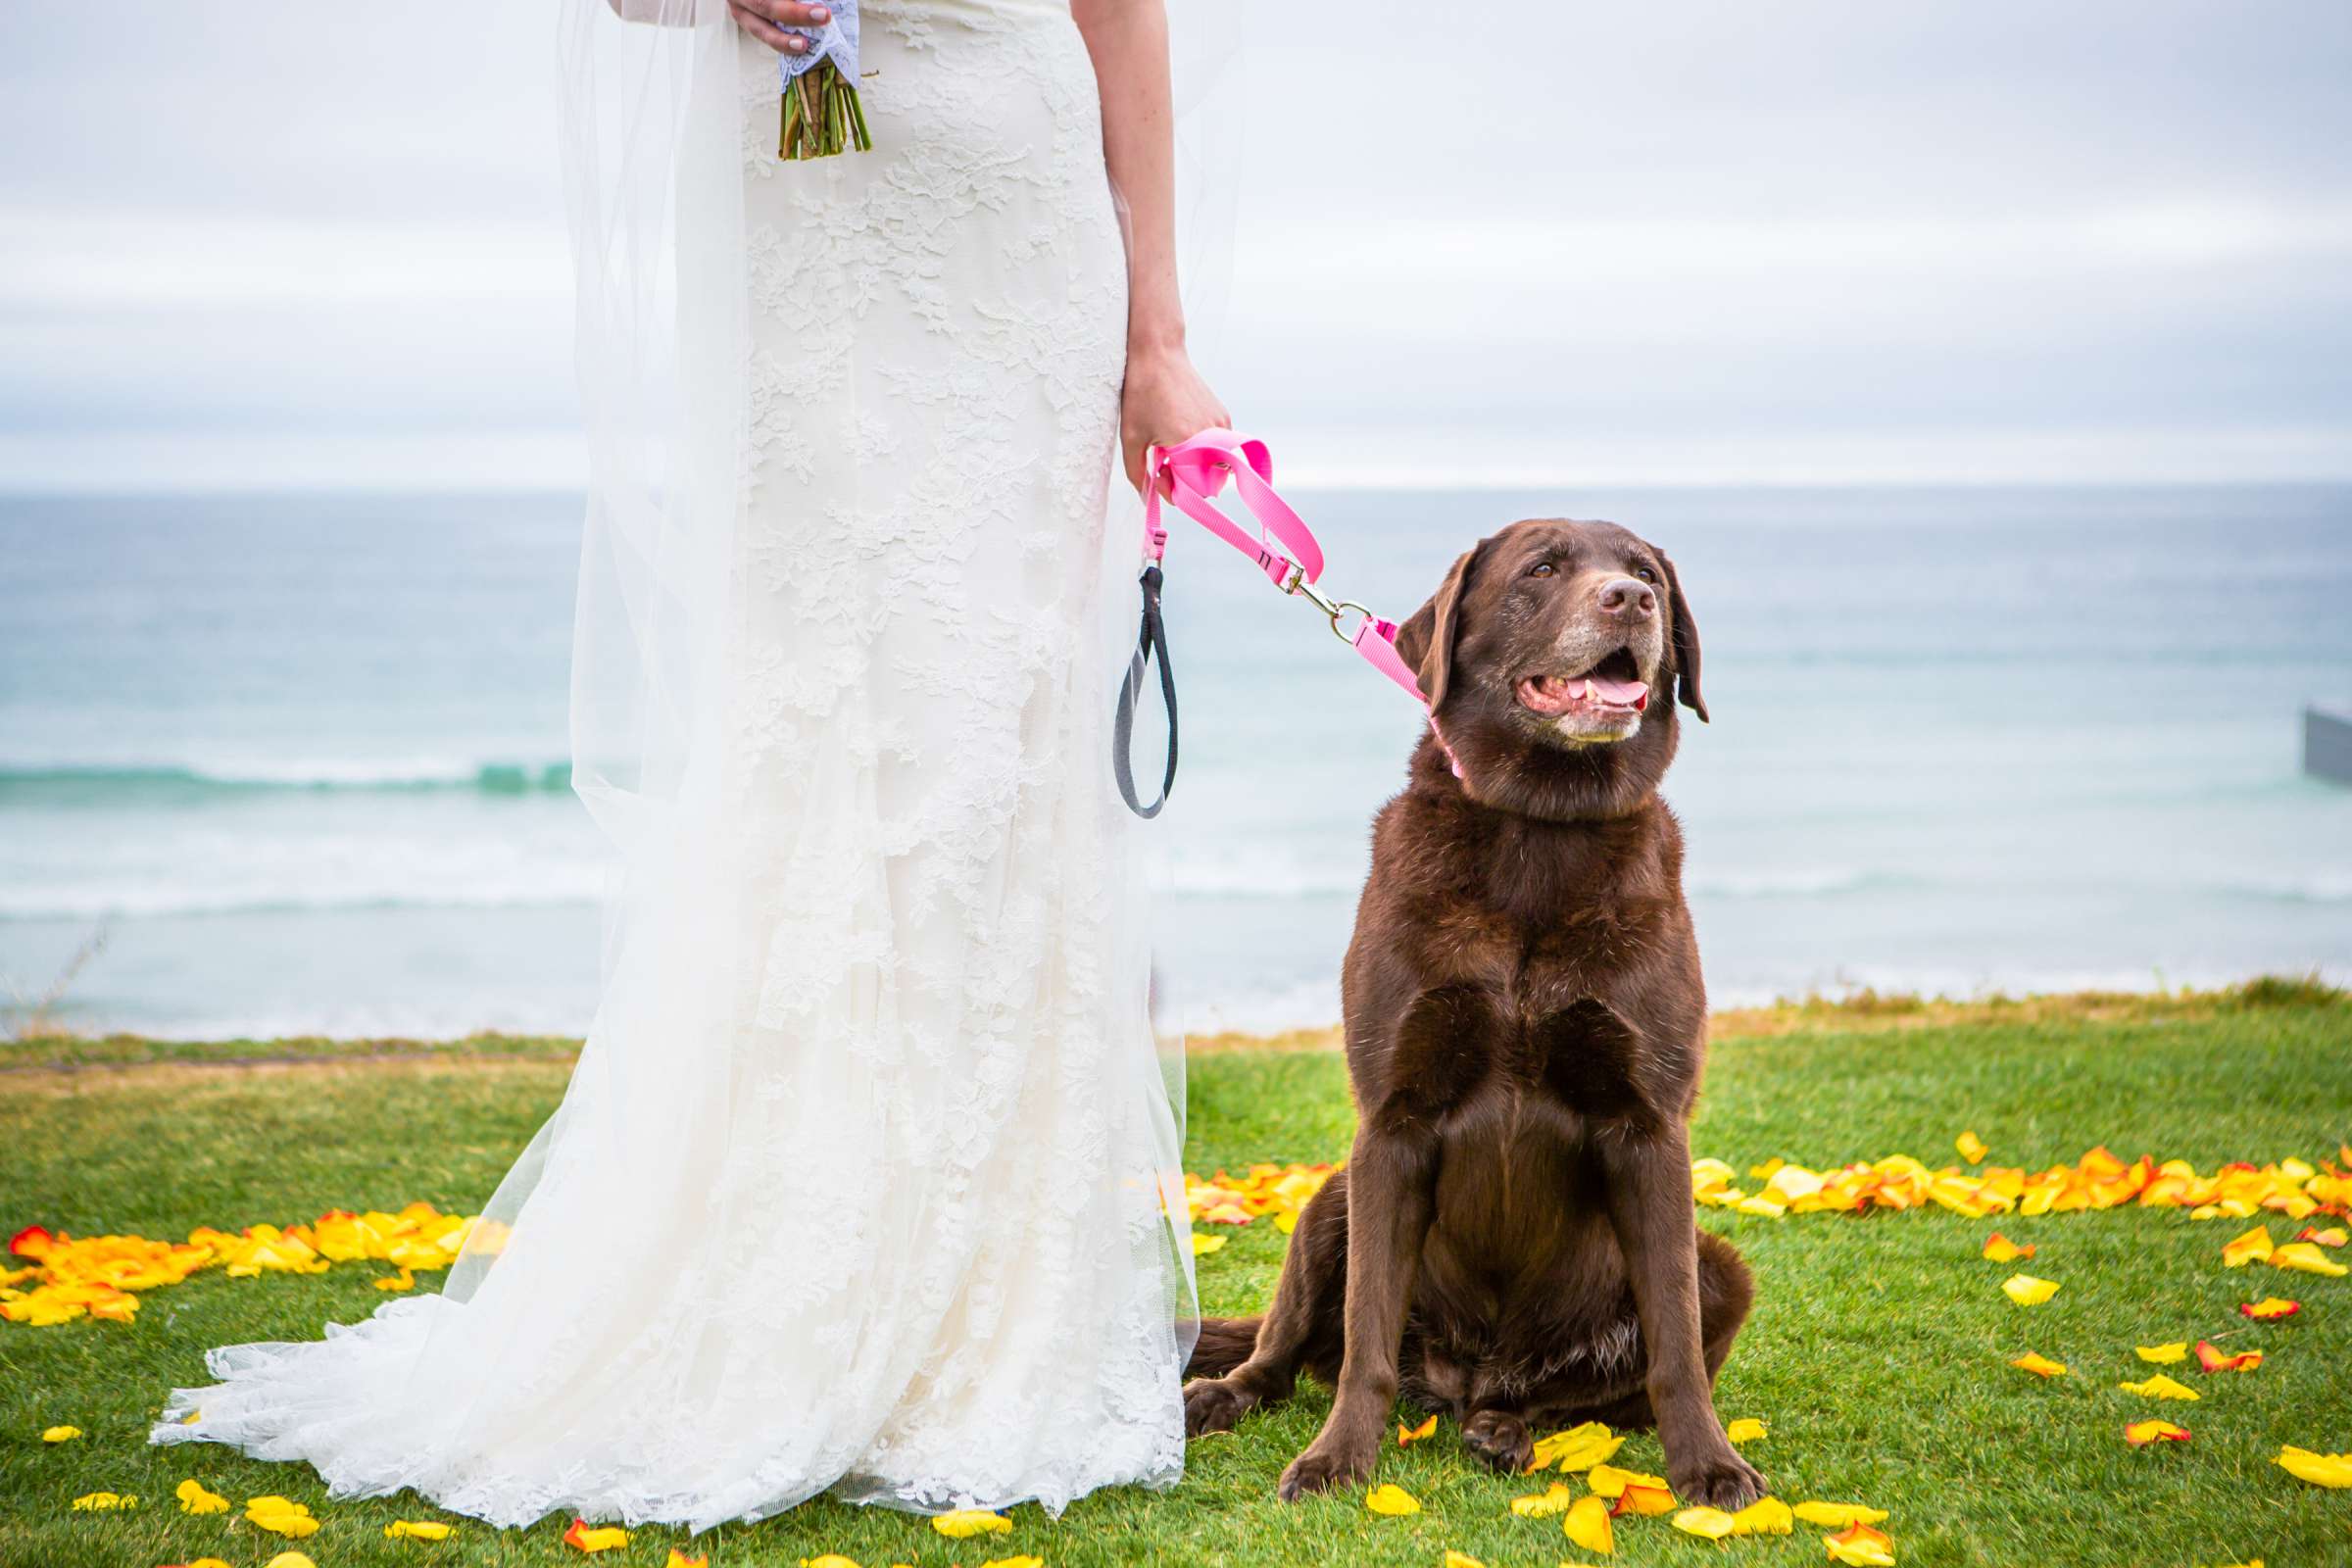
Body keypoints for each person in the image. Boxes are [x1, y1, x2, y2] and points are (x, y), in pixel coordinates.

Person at [154, 0, 1229, 1528]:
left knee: (993, 732)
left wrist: (1160, 338)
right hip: (809, 209)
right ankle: (785, 1279)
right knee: (826, 713)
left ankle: (991, 1320)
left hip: (1016, 216)